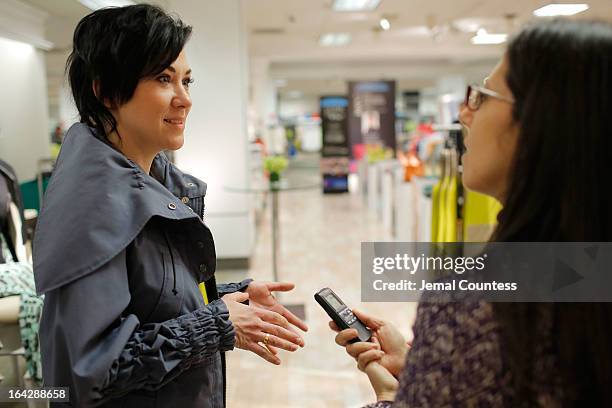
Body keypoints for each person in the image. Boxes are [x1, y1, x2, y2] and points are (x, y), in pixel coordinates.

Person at [33, 4, 307, 407]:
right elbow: (93, 372)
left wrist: (229, 297)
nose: (185, 100)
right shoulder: (95, 205)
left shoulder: (152, 184)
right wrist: (217, 323)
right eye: (164, 79)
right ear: (106, 91)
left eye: (187, 81)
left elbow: (150, 301)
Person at [331, 19, 612, 407]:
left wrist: (393, 396)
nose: (464, 114)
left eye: (481, 96)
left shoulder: (469, 306)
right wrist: (429, 369)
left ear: (538, 121)